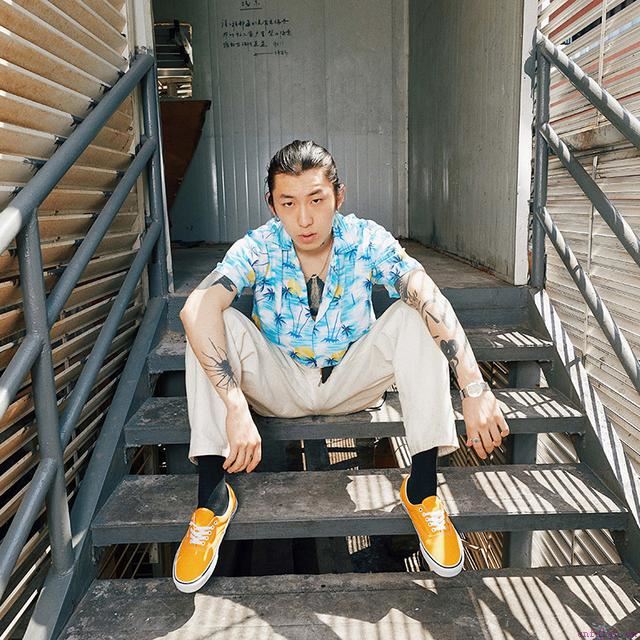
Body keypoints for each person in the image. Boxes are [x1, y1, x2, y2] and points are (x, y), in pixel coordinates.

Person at [172, 140, 510, 593]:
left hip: (351, 380)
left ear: (339, 196)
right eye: (288, 203)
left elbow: (426, 291)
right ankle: (212, 500)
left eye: (316, 200)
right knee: (211, 319)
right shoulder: (260, 245)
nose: (304, 219)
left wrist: (474, 388)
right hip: (280, 384)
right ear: (272, 204)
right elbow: (195, 310)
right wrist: (235, 405)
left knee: (415, 311)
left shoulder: (366, 240)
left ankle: (423, 491)